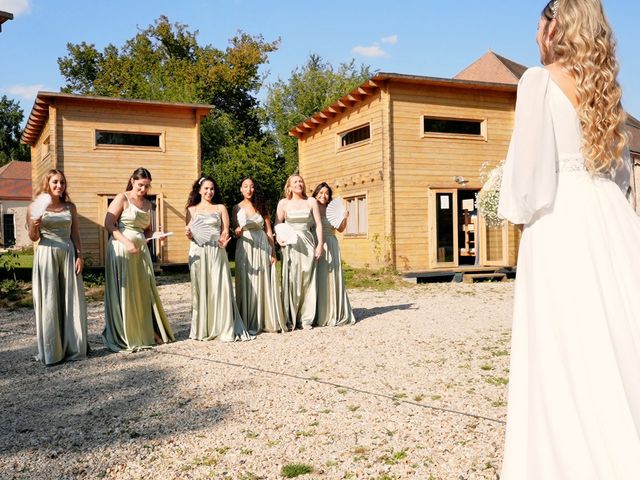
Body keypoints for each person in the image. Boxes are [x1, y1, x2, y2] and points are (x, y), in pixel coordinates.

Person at [498, 1, 640, 477]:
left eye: (539, 21)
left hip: (558, 219)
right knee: (614, 336)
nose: (535, 31)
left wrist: (517, 213)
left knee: (563, 346)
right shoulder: (605, 90)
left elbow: (529, 173)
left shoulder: (537, 82)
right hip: (610, 215)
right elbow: (620, 173)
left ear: (555, 24)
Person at [103, 168, 174, 351]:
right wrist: (126, 242)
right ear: (133, 181)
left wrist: (157, 234)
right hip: (121, 247)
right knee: (127, 290)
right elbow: (108, 224)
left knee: (142, 290)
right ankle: (126, 333)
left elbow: (146, 230)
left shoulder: (148, 205)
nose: (143, 189)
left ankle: (146, 331)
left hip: (141, 250)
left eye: (147, 186)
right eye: (141, 185)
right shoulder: (122, 198)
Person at [28, 169, 88, 365]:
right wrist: (35, 225)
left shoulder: (70, 207)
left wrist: (80, 256)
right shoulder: (35, 206)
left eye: (62, 182)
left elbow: (76, 234)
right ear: (47, 183)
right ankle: (52, 350)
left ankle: (74, 346)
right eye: (55, 182)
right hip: (46, 254)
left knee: (71, 299)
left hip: (68, 253)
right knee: (50, 299)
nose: (59, 186)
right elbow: (34, 237)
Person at [185, 176, 251, 341]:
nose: (209, 192)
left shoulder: (220, 208)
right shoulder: (191, 210)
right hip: (198, 252)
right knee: (201, 289)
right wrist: (189, 234)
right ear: (199, 190)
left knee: (220, 287)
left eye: (212, 189)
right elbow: (190, 234)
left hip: (217, 250)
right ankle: (202, 328)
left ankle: (224, 326)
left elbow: (225, 231)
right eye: (206, 188)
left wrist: (224, 240)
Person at [232, 177, 287, 334]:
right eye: (245, 186)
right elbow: (235, 230)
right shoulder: (236, 208)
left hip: (262, 244)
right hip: (245, 245)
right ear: (241, 189)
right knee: (247, 280)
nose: (249, 189)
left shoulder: (261, 206)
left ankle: (266, 319)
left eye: (252, 186)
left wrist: (272, 251)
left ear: (254, 189)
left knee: (263, 280)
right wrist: (236, 232)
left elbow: (269, 230)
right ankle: (247, 320)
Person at [275, 174, 323, 330]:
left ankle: (306, 318)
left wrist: (319, 244)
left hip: (308, 242)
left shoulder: (311, 201)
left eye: (301, 181)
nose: (299, 183)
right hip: (290, 244)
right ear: (289, 186)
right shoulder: (283, 203)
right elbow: (277, 223)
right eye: (295, 181)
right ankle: (290, 317)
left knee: (307, 279)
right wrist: (279, 239)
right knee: (291, 279)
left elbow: (318, 225)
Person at [312, 182, 356, 327]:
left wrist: (344, 218)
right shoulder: (312, 206)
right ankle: (318, 312)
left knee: (332, 275)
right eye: (321, 192)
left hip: (331, 242)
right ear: (316, 193)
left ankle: (334, 311)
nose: (323, 195)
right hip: (317, 242)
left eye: (326, 193)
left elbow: (341, 229)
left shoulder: (332, 209)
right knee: (319, 277)